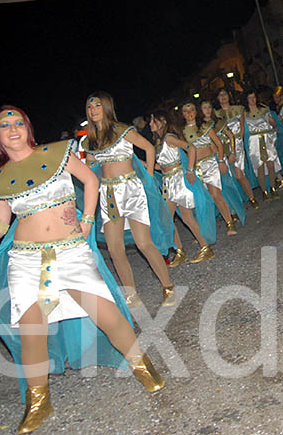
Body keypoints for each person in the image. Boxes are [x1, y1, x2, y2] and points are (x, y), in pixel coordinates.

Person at [0, 106, 164, 434]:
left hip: (70, 252)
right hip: (26, 261)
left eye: (18, 122)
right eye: (4, 125)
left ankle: (141, 364)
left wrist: (87, 221)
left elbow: (89, 180)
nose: (12, 128)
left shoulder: (57, 154)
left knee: (108, 315)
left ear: (28, 128)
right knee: (31, 330)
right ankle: (39, 400)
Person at [81, 92, 175, 308]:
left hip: (131, 190)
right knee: (115, 249)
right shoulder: (89, 141)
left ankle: (168, 287)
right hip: (108, 194)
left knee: (143, 242)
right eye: (89, 106)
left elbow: (149, 148)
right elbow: (90, 170)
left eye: (97, 105)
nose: (93, 110)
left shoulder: (122, 130)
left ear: (106, 107)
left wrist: (149, 178)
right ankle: (131, 295)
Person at [149, 109, 215, 265]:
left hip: (177, 181)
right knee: (168, 219)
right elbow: (163, 166)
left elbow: (191, 148)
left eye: (153, 120)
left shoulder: (169, 138)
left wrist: (190, 169)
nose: (150, 124)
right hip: (168, 182)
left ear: (162, 122)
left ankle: (205, 247)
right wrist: (146, 165)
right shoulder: (159, 143)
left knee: (184, 217)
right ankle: (180, 250)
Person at [181, 101, 238, 236]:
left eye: (192, 110)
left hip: (210, 164)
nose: (189, 113)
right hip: (195, 168)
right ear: (182, 114)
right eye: (185, 111)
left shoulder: (205, 127)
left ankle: (230, 223)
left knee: (215, 195)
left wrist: (220, 161)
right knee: (202, 200)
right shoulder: (181, 132)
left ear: (196, 112)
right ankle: (205, 231)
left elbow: (218, 144)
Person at [215, 88, 260, 209]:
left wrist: (237, 143)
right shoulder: (216, 114)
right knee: (229, 177)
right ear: (217, 98)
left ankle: (251, 197)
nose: (223, 97)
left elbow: (242, 127)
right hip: (224, 147)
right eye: (220, 95)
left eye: (225, 94)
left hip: (237, 144)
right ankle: (236, 205)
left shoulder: (239, 109)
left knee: (239, 174)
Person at [244, 90, 283, 199]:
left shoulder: (263, 110)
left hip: (267, 139)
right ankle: (264, 191)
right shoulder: (244, 113)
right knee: (259, 166)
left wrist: (273, 123)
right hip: (254, 141)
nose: (252, 100)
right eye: (250, 98)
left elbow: (273, 122)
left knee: (271, 164)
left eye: (254, 97)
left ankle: (272, 187)